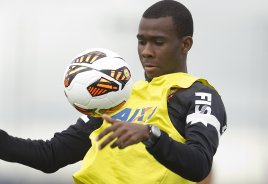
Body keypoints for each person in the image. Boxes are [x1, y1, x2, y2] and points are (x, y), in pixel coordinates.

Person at [0, 0, 227, 184]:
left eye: (158, 42)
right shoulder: (117, 94)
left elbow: (199, 164)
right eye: (141, 41)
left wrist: (150, 134)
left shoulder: (198, 94)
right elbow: (52, 155)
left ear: (185, 44)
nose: (146, 51)